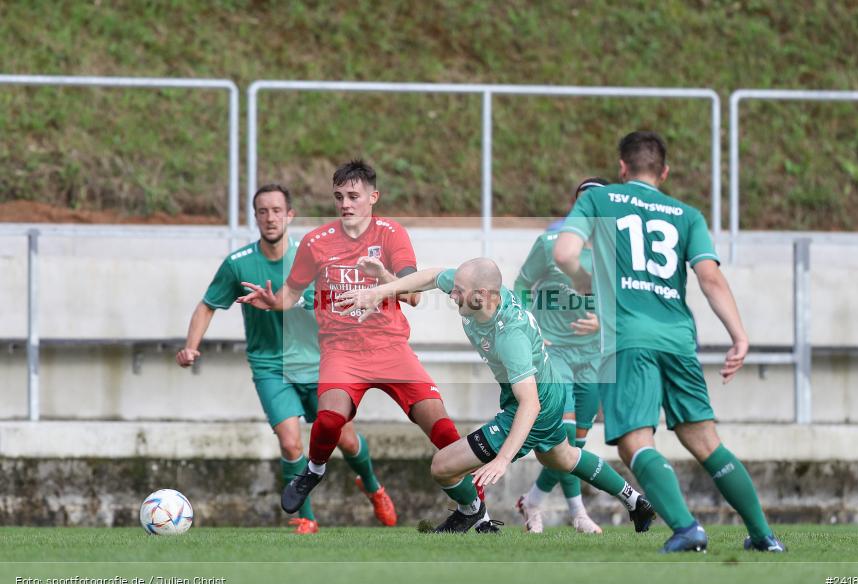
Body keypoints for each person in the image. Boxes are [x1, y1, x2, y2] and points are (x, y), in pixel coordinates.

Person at [553, 131, 785, 553]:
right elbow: (710, 277)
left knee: (634, 440)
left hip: (628, 339)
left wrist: (596, 286)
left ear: (622, 168)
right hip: (679, 338)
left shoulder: (599, 200)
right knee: (705, 440)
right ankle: (764, 536)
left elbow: (565, 254)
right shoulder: (687, 214)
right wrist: (740, 335)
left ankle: (686, 528)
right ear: (664, 171)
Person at [237, 161, 493, 534]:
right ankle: (314, 471)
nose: (345, 204)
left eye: (354, 196)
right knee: (329, 420)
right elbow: (292, 293)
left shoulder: (391, 234)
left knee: (443, 431)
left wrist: (383, 280)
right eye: (339, 196)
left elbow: (414, 296)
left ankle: (474, 510)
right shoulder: (316, 241)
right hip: (342, 351)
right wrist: (272, 301)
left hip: (391, 349)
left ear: (373, 198)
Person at [335, 258, 656, 535]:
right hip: (548, 390)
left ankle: (470, 510)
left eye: (459, 291)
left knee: (442, 466)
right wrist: (379, 290)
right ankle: (635, 500)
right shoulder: (477, 292)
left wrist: (503, 459)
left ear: (484, 295)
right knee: (563, 457)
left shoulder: (509, 336)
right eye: (455, 287)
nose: (452, 294)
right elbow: (433, 275)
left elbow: (529, 404)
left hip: (535, 405)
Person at [176, 183, 396, 535]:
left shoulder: (314, 257)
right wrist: (191, 346)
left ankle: (372, 487)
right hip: (269, 367)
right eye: (262, 211)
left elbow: (343, 299)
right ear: (255, 217)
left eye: (277, 210)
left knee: (346, 439)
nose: (270, 217)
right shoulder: (238, 264)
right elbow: (207, 305)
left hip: (318, 362)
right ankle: (305, 518)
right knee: (292, 441)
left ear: (289, 215)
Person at [514, 177, 613, 534]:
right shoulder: (551, 244)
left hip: (593, 358)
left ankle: (532, 501)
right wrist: (529, 329)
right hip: (553, 353)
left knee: (576, 444)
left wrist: (603, 322)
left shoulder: (615, 252)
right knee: (566, 435)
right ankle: (578, 513)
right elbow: (523, 286)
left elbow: (627, 304)